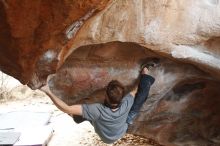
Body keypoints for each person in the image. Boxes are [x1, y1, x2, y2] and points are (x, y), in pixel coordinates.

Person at [41, 64, 155, 144]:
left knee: (78, 113)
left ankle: (79, 118)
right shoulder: (127, 102)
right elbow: (135, 91)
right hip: (122, 128)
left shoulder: (96, 110)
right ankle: (146, 72)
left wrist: (48, 91)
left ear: (105, 95)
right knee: (139, 101)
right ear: (122, 97)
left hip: (105, 136)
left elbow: (66, 108)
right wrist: (142, 78)